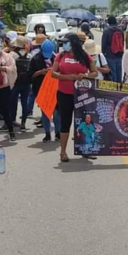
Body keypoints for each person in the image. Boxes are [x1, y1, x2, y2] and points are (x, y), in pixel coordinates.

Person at [51, 33, 97, 162]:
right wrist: (67, 77)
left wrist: (85, 75)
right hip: (64, 93)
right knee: (65, 122)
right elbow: (53, 73)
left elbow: (95, 73)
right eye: (63, 42)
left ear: (73, 43)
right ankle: (63, 152)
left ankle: (85, 150)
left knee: (84, 122)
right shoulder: (61, 55)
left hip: (82, 94)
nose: (64, 44)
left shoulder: (84, 56)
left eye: (66, 42)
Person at [29, 40, 61, 142]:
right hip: (42, 89)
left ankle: (57, 132)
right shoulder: (35, 59)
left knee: (56, 113)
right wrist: (41, 72)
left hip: (55, 89)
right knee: (45, 113)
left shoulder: (56, 58)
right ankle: (47, 133)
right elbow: (30, 75)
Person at [9, 35, 32, 131]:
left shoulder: (12, 55)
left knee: (12, 102)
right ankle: (23, 123)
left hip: (15, 82)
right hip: (26, 82)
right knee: (24, 103)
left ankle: (12, 120)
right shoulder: (29, 55)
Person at [101, 15, 124, 82]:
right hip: (119, 54)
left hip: (110, 54)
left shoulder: (106, 31)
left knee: (112, 72)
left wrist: (103, 55)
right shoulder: (120, 30)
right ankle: (119, 86)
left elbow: (103, 44)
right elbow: (122, 43)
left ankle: (114, 88)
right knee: (119, 71)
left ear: (108, 22)